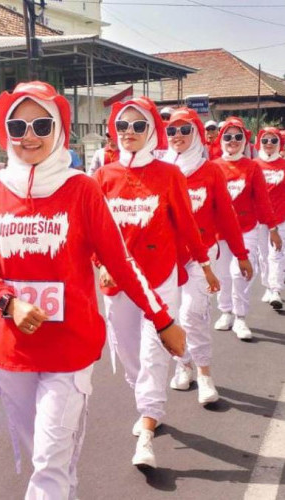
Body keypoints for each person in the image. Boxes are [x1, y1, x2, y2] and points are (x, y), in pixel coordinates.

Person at [0, 82, 185, 498]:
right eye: (18, 125)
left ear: (59, 130)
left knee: (49, 459)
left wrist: (162, 319)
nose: (28, 135)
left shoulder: (82, 189)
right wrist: (8, 303)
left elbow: (121, 261)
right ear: (5, 132)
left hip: (69, 350)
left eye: (40, 124)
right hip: (13, 350)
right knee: (46, 459)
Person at [94, 96, 213, 468]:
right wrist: (99, 263)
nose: (129, 132)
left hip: (160, 281)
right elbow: (93, 231)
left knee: (152, 353)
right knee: (129, 355)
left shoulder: (169, 175)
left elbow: (188, 228)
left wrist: (206, 265)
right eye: (123, 126)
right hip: (118, 286)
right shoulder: (103, 176)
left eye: (139, 126)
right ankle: (149, 405)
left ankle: (146, 431)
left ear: (151, 131)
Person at [164, 108, 251, 405]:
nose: (178, 136)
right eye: (172, 131)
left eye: (185, 130)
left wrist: (240, 254)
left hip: (201, 257)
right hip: (165, 260)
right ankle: (182, 364)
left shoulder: (210, 170)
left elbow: (226, 216)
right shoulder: (159, 170)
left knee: (193, 313)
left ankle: (204, 373)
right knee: (171, 317)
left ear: (197, 134)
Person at [213, 117, 282, 339]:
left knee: (239, 273)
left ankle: (240, 318)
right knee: (223, 275)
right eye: (228, 136)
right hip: (219, 233)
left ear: (245, 140)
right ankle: (225, 312)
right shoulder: (212, 167)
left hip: (247, 230)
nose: (233, 141)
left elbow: (262, 201)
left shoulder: (252, 167)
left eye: (238, 136)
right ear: (221, 139)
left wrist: (272, 229)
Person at [254, 127, 285, 309]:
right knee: (263, 255)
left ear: (279, 144)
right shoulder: (254, 165)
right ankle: (267, 285)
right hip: (258, 220)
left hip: (280, 218)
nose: (269, 144)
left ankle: (276, 290)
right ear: (260, 142)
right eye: (265, 140)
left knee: (276, 254)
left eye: (273, 141)